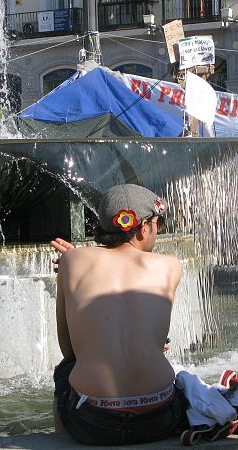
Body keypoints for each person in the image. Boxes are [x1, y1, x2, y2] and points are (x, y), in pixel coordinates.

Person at [52, 184, 187, 446]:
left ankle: (60, 442)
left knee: (65, 370)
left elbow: (68, 349)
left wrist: (76, 262)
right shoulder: (170, 265)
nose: (157, 231)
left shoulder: (72, 260)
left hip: (92, 422)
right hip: (158, 416)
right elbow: (155, 336)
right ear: (144, 227)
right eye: (158, 224)